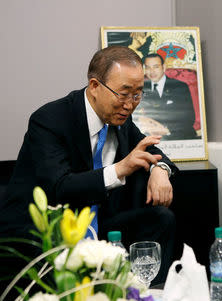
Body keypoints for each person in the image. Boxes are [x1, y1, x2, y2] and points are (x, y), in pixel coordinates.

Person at [0, 46, 178, 288]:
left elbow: (151, 149)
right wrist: (119, 169)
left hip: (95, 227)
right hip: (44, 230)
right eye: (124, 93)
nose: (130, 104)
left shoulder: (119, 120)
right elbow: (61, 187)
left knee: (160, 218)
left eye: (137, 95)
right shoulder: (49, 120)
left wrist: (160, 170)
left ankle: (148, 292)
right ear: (94, 86)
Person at [133, 53, 197, 140]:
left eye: (156, 67)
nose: (152, 71)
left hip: (178, 136)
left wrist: (165, 129)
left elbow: (189, 117)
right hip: (149, 138)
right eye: (148, 67)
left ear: (163, 67)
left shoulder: (180, 86)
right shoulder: (139, 88)